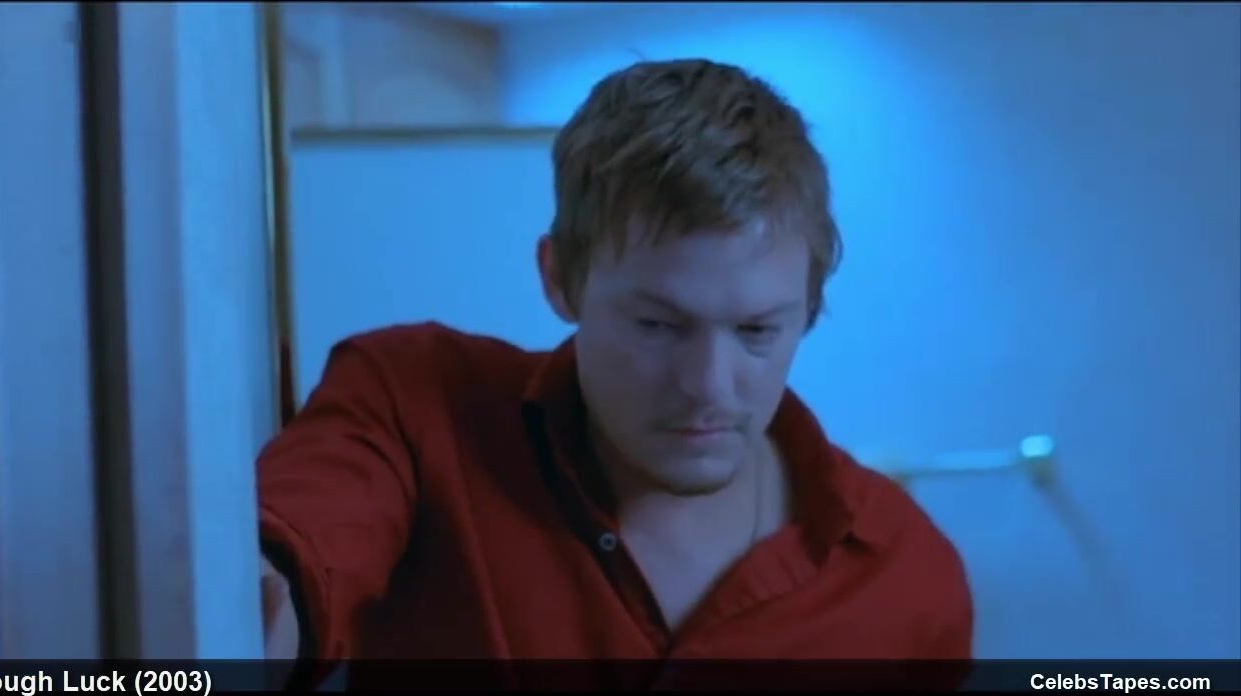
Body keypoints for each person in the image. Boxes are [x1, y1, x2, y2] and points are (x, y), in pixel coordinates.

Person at [256, 58, 972, 689]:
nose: (708, 386)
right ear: (559, 279)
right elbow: (275, 575)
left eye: (757, 332)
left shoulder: (907, 573)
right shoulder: (416, 404)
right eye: (657, 326)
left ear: (810, 307)